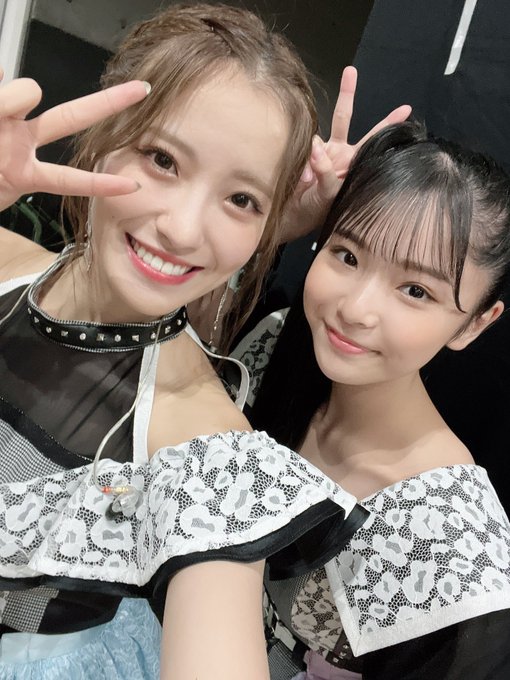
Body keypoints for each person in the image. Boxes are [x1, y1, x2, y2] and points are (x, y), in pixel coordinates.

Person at [0, 5, 411, 678]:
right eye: (163, 159)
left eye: (242, 200)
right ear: (105, 135)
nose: (184, 229)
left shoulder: (206, 455)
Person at [235, 119, 510, 679]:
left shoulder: (451, 543)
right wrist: (276, 226)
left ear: (475, 324)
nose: (355, 309)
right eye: (347, 256)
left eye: (415, 290)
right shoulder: (273, 349)